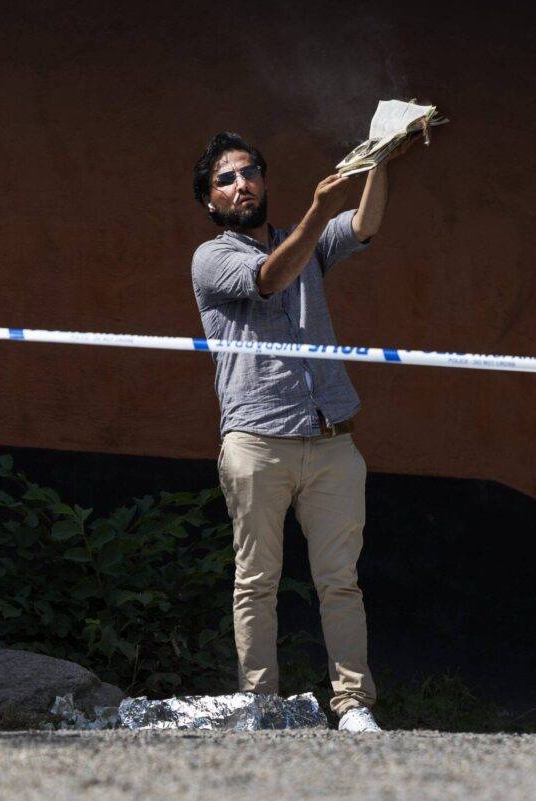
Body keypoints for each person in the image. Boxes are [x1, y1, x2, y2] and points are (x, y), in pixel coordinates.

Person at [189, 131, 391, 732]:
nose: (240, 184)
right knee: (257, 583)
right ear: (210, 201)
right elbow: (271, 277)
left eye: (248, 171)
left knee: (341, 583)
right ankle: (261, 707)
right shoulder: (211, 257)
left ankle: (353, 707)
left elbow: (364, 225)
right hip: (257, 440)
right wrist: (317, 211)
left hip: (331, 437)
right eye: (225, 179)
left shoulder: (304, 243)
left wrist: (380, 160)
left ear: (264, 180)